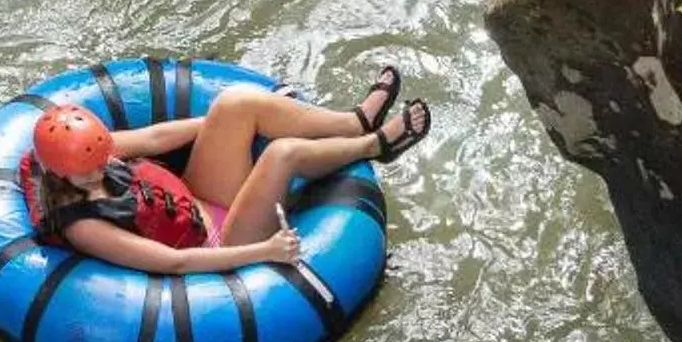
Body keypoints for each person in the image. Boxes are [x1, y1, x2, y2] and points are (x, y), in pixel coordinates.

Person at [23, 67, 433, 276]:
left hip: (199, 199)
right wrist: (264, 252)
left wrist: (233, 125)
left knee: (235, 105)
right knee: (282, 155)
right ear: (62, 177)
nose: (104, 169)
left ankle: (354, 122)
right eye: (90, 173)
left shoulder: (93, 155)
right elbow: (171, 263)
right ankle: (376, 145)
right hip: (218, 243)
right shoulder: (84, 226)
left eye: (104, 159)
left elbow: (152, 140)